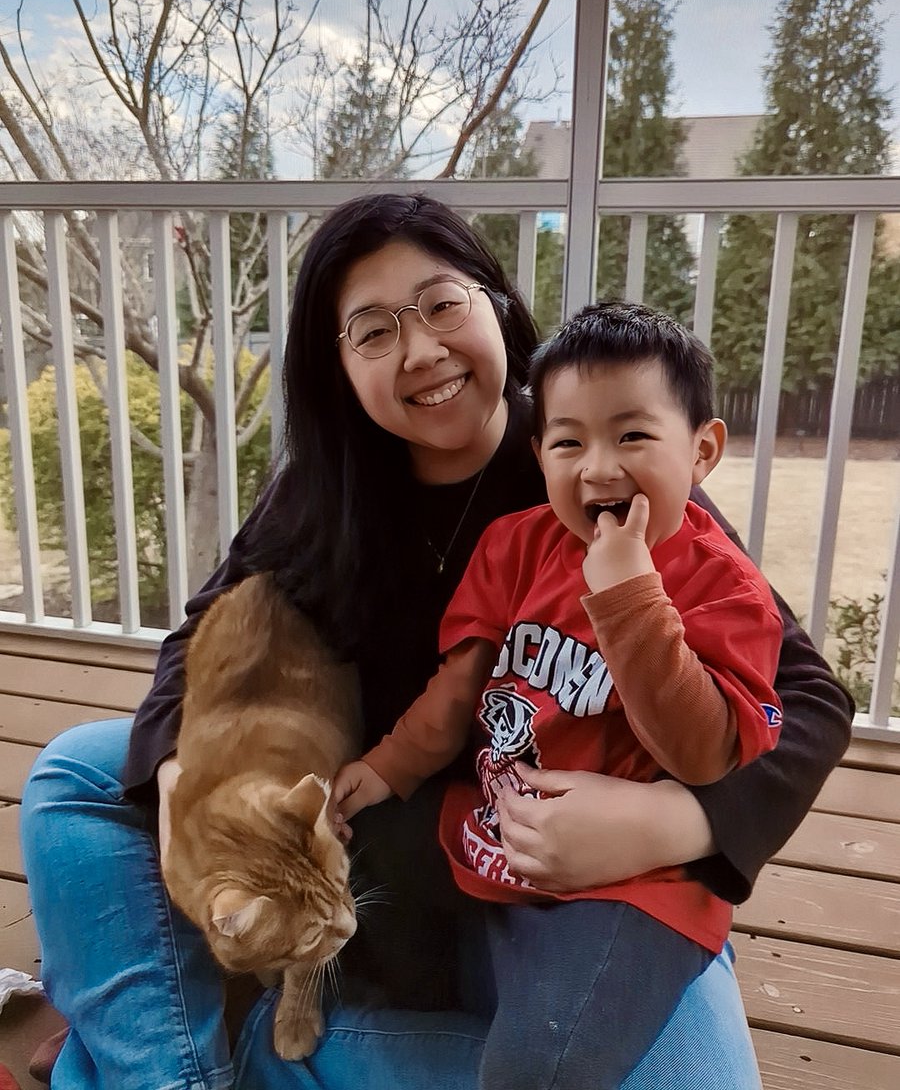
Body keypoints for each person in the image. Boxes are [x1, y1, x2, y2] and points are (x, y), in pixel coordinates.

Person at [19, 193, 852, 1090]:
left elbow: (806, 696)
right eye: (372, 331)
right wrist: (183, 771)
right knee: (82, 772)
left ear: (496, 304)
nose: (421, 350)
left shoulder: (594, 452)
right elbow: (204, 630)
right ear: (337, 364)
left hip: (597, 874)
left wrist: (671, 822)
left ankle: (234, 1045)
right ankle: (170, 1073)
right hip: (388, 825)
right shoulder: (328, 482)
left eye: (443, 304)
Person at [333, 301, 785, 1089]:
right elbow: (461, 686)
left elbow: (703, 752)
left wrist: (631, 599)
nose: (598, 468)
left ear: (703, 449)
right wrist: (386, 767)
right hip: (489, 836)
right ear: (539, 451)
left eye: (633, 436)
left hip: (630, 892)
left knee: (545, 1064)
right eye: (569, 441)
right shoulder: (516, 544)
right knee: (346, 879)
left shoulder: (727, 591)